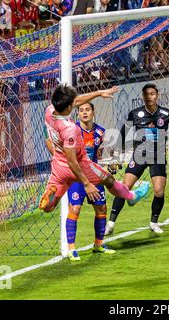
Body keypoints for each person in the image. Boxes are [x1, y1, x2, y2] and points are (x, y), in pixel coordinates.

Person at [39, 84, 150, 222]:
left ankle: (47, 199)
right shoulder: (69, 129)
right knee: (109, 180)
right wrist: (86, 184)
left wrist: (98, 93)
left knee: (49, 207)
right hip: (79, 165)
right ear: (69, 107)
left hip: (58, 166)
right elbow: (72, 161)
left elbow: (76, 101)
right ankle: (132, 197)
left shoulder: (49, 111)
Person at [105, 83, 169, 235]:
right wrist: (116, 156)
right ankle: (110, 224)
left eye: (152, 94)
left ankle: (154, 222)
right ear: (143, 97)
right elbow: (122, 134)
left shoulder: (167, 114)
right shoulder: (134, 114)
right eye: (146, 94)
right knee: (124, 188)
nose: (149, 97)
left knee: (159, 191)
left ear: (157, 95)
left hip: (158, 157)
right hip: (139, 155)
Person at [45, 102, 116, 261]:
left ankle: (99, 245)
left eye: (87, 110)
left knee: (101, 208)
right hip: (76, 176)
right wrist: (60, 160)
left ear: (93, 112)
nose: (84, 113)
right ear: (77, 114)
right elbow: (49, 142)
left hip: (93, 175)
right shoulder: (71, 129)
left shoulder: (100, 132)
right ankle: (71, 249)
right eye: (81, 110)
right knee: (75, 208)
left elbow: (97, 154)